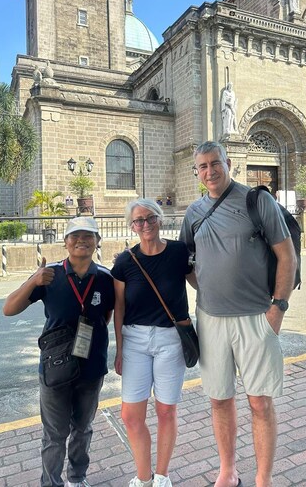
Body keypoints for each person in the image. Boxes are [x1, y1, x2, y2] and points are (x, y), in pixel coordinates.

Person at [180, 141, 297, 487]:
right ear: (197, 173)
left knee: (260, 402)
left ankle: (263, 478)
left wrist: (278, 309)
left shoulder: (257, 201)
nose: (209, 172)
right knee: (219, 399)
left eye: (215, 164)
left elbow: (287, 256)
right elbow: (186, 259)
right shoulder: (193, 212)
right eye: (202, 167)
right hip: (211, 319)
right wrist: (209, 286)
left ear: (228, 163)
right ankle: (228, 471)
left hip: (256, 318)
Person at [3, 216, 115, 487]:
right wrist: (33, 281)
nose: (81, 241)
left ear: (97, 242)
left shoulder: (105, 279)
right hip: (55, 368)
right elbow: (9, 309)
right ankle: (51, 483)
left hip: (91, 368)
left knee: (82, 428)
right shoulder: (49, 275)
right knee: (54, 434)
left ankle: (77, 478)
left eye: (88, 236)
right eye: (75, 236)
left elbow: (107, 316)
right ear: (65, 242)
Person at [111, 198, 192, 487]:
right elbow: (118, 308)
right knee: (131, 415)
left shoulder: (179, 252)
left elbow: (202, 282)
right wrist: (119, 349)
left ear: (160, 219)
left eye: (150, 218)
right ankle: (143, 477)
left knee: (166, 409)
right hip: (134, 340)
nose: (145, 225)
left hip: (170, 339)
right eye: (138, 221)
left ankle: (161, 475)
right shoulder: (124, 262)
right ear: (131, 226)